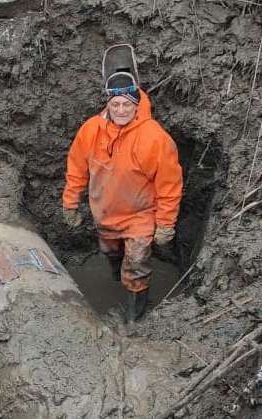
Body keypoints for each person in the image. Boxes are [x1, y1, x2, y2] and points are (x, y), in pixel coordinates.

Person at [62, 70, 183, 323]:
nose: (120, 110)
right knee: (110, 253)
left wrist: (165, 224)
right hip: (104, 212)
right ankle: (118, 278)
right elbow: (76, 169)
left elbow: (169, 186)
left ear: (136, 104)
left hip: (140, 215)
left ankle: (134, 316)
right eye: (115, 104)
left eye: (126, 104)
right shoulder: (91, 130)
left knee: (137, 263)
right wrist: (70, 203)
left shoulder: (155, 138)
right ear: (108, 104)